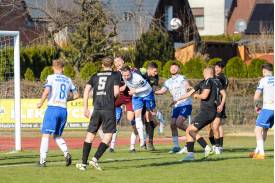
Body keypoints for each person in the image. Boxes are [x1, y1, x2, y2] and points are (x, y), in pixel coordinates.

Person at [76, 57, 120, 171]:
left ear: (102, 65)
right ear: (112, 65)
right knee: (108, 135)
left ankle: (84, 164)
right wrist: (111, 99)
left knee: (90, 135)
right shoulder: (115, 75)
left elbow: (86, 90)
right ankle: (95, 159)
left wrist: (85, 107)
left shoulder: (95, 75)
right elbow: (116, 92)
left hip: (96, 108)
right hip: (108, 108)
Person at [175, 67, 223, 161]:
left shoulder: (209, 81)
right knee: (189, 129)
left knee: (191, 130)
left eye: (203, 73)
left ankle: (206, 148)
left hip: (207, 111)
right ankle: (190, 155)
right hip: (209, 111)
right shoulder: (209, 82)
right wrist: (177, 100)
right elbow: (190, 93)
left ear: (206, 73)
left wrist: (196, 95)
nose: (203, 74)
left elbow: (204, 96)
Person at [37, 58, 79, 167]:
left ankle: (42, 160)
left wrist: (40, 102)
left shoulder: (51, 77)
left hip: (52, 108)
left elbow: (46, 91)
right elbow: (76, 95)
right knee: (57, 135)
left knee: (46, 134)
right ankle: (66, 152)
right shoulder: (68, 80)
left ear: (52, 68)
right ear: (63, 68)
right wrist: (66, 100)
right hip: (63, 110)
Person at [155, 62, 193, 154]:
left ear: (178, 69)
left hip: (185, 103)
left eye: (175, 67)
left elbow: (187, 86)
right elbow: (162, 91)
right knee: (172, 124)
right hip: (176, 106)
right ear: (170, 69)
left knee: (179, 123)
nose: (173, 69)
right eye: (172, 68)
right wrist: (152, 91)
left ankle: (193, 132)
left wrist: (189, 89)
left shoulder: (182, 78)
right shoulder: (168, 82)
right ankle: (176, 146)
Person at [120, 65, 156, 150]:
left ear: (131, 72)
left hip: (147, 94)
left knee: (150, 116)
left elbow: (147, 87)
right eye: (124, 75)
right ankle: (142, 139)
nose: (126, 77)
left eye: (127, 75)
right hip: (136, 96)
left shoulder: (137, 77)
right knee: (137, 116)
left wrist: (135, 90)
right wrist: (125, 86)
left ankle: (152, 130)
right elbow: (128, 82)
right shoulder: (124, 76)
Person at [111, 57, 138, 152]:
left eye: (119, 61)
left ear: (123, 61)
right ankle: (111, 146)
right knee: (114, 122)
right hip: (118, 97)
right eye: (115, 62)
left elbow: (136, 78)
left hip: (129, 97)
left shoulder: (131, 70)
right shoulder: (113, 73)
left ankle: (132, 146)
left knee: (132, 120)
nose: (117, 63)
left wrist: (125, 86)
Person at [249, 63, 274, 160]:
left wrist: (256, 106)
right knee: (264, 130)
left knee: (257, 130)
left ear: (264, 71)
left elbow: (256, 96)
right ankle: (257, 151)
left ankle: (262, 154)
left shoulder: (263, 80)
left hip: (268, 108)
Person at [208, 61, 228, 153]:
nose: (216, 69)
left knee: (217, 125)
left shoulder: (221, 78)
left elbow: (221, 92)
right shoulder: (214, 77)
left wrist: (221, 104)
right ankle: (215, 145)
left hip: (218, 103)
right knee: (210, 126)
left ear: (222, 69)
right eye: (216, 67)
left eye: (219, 68)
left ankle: (219, 146)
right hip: (211, 103)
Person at [141, 62, 159, 151]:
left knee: (152, 122)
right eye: (155, 71)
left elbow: (153, 89)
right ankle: (146, 142)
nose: (156, 73)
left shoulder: (155, 77)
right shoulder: (142, 75)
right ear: (149, 69)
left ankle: (148, 142)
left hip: (150, 100)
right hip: (140, 100)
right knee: (145, 122)